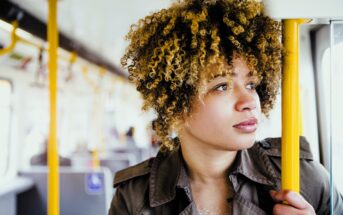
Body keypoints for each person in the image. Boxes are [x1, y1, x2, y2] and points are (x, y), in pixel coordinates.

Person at [109, 0, 343, 214]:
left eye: (251, 84)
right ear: (177, 102)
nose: (250, 102)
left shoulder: (303, 178)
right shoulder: (134, 196)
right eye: (222, 86)